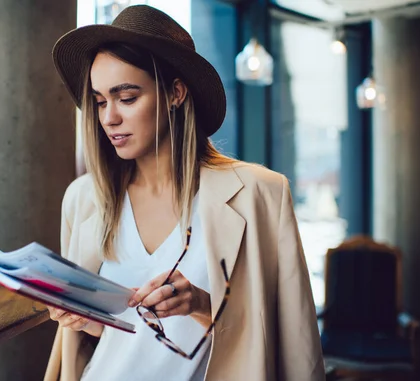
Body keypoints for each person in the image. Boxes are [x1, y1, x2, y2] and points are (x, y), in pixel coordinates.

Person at [44, 5, 324, 381]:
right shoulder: (84, 199)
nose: (109, 117)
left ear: (175, 93)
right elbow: (105, 339)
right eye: (99, 101)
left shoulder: (260, 194)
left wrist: (200, 303)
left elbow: (292, 338)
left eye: (126, 98)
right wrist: (80, 318)